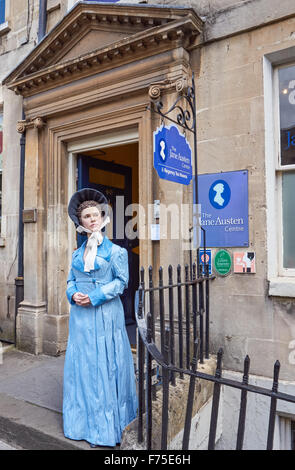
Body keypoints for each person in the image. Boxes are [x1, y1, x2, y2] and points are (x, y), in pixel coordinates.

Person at [63, 188, 138, 448]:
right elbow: (70, 280)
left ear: (102, 217)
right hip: (80, 319)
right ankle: (81, 424)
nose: (92, 219)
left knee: (106, 367)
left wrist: (94, 296)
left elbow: (122, 283)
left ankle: (106, 429)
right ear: (80, 222)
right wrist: (73, 295)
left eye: (95, 214)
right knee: (83, 368)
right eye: (86, 216)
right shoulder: (76, 253)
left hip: (106, 314)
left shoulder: (116, 252)